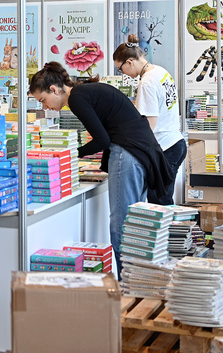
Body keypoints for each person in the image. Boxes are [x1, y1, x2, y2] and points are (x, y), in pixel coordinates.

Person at [29, 61, 173, 277]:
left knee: (121, 226)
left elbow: (102, 140)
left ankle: (127, 284)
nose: (45, 107)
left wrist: (70, 153)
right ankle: (140, 280)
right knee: (135, 223)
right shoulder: (85, 91)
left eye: (43, 100)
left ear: (54, 89)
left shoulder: (77, 98)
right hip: (141, 152)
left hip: (128, 153)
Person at [113, 35, 186, 205]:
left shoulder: (146, 83)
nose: (122, 73)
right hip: (175, 142)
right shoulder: (160, 71)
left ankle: (170, 232)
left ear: (130, 61)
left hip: (165, 148)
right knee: (164, 200)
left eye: (120, 68)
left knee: (159, 205)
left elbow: (149, 127)